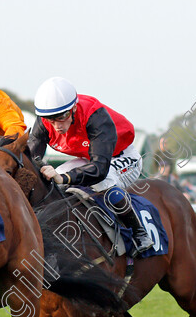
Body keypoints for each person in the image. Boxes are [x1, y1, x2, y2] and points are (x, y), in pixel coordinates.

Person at [27, 76, 153, 252]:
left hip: (121, 157)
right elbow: (30, 158)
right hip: (88, 158)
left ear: (73, 108)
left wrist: (64, 178)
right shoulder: (45, 121)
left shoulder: (96, 117)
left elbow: (99, 169)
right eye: (50, 119)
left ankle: (139, 231)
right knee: (55, 177)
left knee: (102, 181)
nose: (56, 126)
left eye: (61, 117)